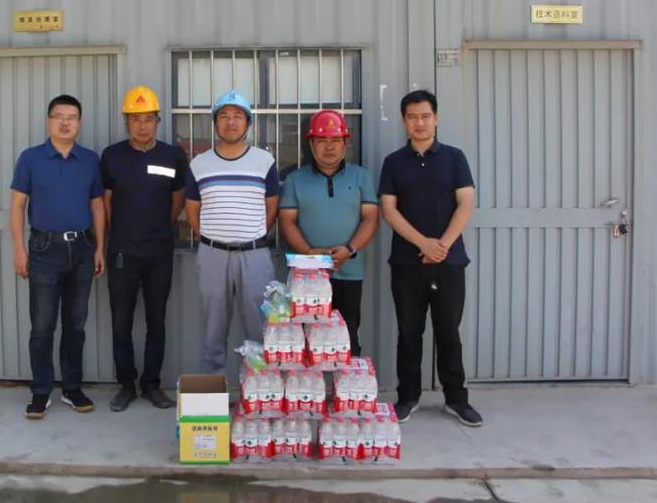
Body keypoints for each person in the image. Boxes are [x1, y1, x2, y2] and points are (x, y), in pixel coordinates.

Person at [378, 89, 482, 427]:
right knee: (409, 332)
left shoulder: (455, 158)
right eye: (412, 117)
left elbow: (466, 203)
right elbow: (389, 210)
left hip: (449, 263)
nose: (419, 122)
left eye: (425, 116)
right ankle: (407, 397)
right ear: (404, 121)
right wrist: (423, 243)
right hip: (407, 264)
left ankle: (457, 399)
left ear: (436, 118)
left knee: (448, 331)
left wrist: (442, 246)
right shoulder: (393, 162)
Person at [9, 94, 105, 420]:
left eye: (72, 117)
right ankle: (40, 390)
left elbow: (97, 206)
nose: (65, 122)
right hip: (43, 250)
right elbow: (17, 205)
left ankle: (72, 387)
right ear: (48, 121)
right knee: (42, 325)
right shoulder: (30, 159)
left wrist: (100, 248)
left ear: (79, 123)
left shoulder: (89, 160)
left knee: (75, 324)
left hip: (82, 249)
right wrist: (19, 249)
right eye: (59, 116)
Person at [101, 86, 189, 412]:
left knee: (156, 320)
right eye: (136, 119)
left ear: (157, 121)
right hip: (122, 251)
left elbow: (177, 201)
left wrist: (157, 228)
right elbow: (106, 204)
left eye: (148, 119)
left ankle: (151, 384)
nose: (142, 125)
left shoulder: (173, 156)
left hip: (159, 252)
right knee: (120, 322)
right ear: (126, 122)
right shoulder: (112, 156)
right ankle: (126, 385)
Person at [184, 89, 280, 374]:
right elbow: (192, 210)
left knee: (260, 325)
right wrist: (214, 237)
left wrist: (251, 234)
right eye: (224, 116)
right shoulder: (199, 164)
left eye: (238, 116)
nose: (231, 122)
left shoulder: (264, 161)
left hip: (255, 254)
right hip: (213, 254)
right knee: (213, 327)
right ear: (215, 123)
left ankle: (259, 387)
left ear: (248, 123)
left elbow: (271, 207)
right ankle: (215, 386)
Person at [278, 109, 379, 356]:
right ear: (311, 144)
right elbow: (287, 221)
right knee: (305, 340)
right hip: (307, 275)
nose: (329, 147)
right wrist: (310, 254)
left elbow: (371, 218)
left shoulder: (361, 177)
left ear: (345, 143)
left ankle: (346, 382)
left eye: (335, 140)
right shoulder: (295, 179)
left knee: (347, 337)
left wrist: (350, 250)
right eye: (322, 140)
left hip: (350, 272)